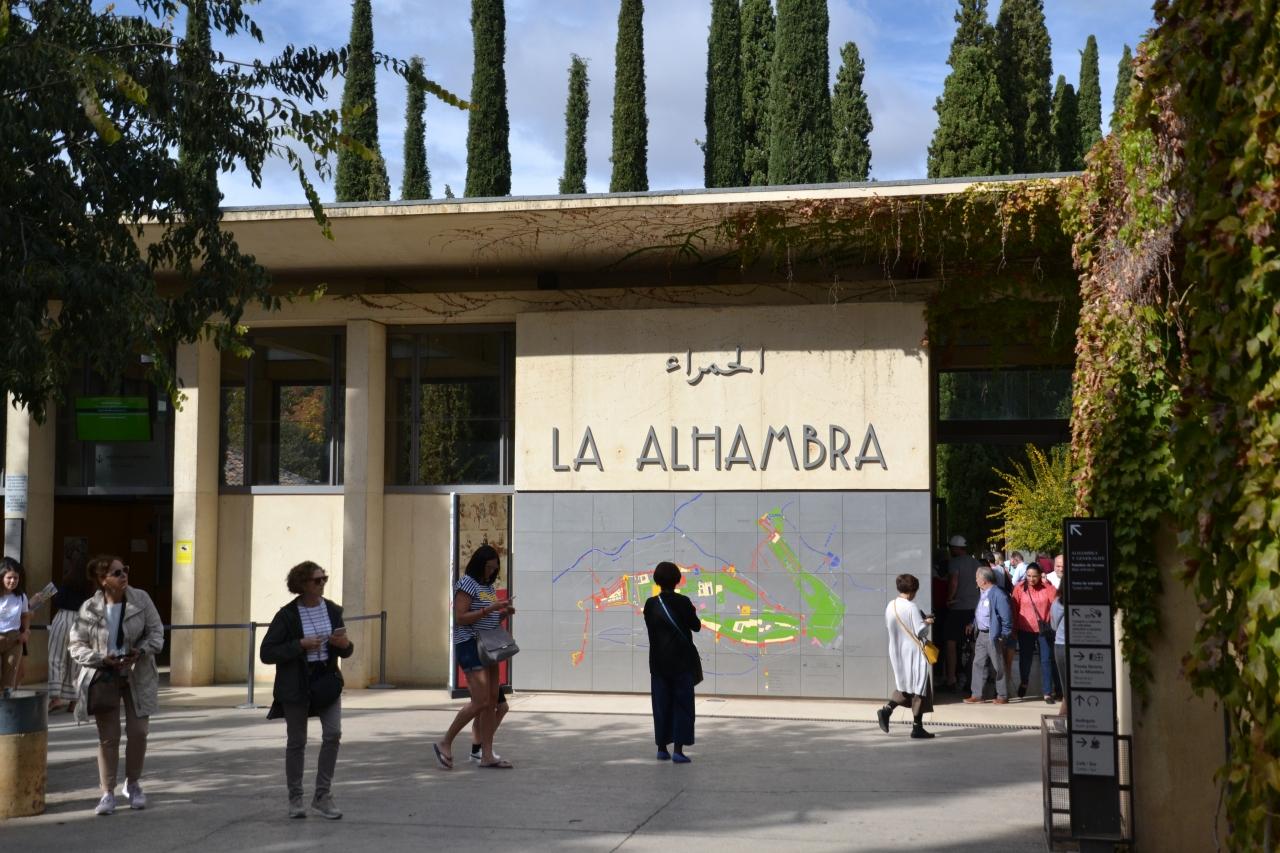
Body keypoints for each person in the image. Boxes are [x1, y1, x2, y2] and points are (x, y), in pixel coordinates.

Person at [69, 555, 166, 816]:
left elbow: (157, 632)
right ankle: (107, 792)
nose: (124, 575)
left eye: (125, 570)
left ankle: (132, 784)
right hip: (105, 677)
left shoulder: (141, 599)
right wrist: (101, 659)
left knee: (139, 732)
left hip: (137, 674)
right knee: (108, 737)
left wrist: (141, 650)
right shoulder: (89, 608)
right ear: (103, 580)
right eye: (117, 572)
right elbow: (76, 645)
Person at [260, 560, 353, 819]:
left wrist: (344, 645)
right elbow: (267, 652)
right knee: (297, 741)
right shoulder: (287, 615)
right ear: (302, 584)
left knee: (333, 734)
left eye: (325, 578)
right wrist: (300, 644)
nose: (322, 583)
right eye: (317, 580)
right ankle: (296, 798)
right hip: (296, 685)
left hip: (327, 682)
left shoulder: (332, 610)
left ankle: (322, 796)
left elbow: (346, 649)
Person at [435, 545, 515, 771]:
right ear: (479, 564)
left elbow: (486, 620)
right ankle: (445, 742)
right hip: (470, 645)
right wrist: (490, 610)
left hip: (489, 645)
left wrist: (502, 613)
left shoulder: (488, 587)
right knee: (480, 701)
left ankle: (486, 754)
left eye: (495, 568)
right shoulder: (467, 583)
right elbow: (461, 618)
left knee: (492, 701)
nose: (492, 572)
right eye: (489, 567)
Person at [643, 560, 702, 763]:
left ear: (657, 580)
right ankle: (678, 750)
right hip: (681, 663)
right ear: (677, 580)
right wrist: (691, 612)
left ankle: (662, 748)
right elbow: (696, 626)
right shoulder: (683, 602)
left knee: (661, 706)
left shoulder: (650, 604)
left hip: (658, 663)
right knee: (682, 705)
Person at [878, 574, 936, 739]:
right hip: (913, 652)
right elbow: (920, 631)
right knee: (919, 687)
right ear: (913, 591)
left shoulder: (891, 605)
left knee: (906, 686)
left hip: (897, 651)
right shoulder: (911, 607)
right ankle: (916, 727)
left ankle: (887, 710)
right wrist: (927, 622)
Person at [963, 567, 1013, 704]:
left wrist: (1003, 635)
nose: (975, 580)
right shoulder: (983, 592)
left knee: (998, 666)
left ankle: (1002, 695)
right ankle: (977, 694)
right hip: (981, 634)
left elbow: (1007, 619)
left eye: (977, 578)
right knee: (978, 663)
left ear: (984, 580)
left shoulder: (999, 595)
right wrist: (973, 624)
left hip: (994, 635)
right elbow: (980, 613)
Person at [48, 557, 92, 712]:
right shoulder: (91, 586)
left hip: (64, 618)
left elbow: (59, 601)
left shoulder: (67, 584)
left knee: (56, 657)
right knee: (77, 661)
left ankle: (56, 697)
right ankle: (74, 700)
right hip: (82, 620)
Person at [1012, 564, 1059, 703]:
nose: (1031, 579)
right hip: (1025, 629)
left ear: (1040, 575)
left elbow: (1056, 604)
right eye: (1029, 576)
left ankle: (1047, 692)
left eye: (1034, 576)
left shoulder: (1047, 588)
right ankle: (1024, 681)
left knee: (1046, 659)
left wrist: (1047, 584)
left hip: (1044, 630)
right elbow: (1014, 608)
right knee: (1025, 659)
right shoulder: (1020, 588)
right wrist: (1014, 629)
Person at [943, 534, 980, 692]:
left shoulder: (955, 562)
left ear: (956, 548)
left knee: (950, 642)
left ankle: (951, 678)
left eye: (951, 548)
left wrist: (949, 599)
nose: (950, 550)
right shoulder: (976, 563)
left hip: (958, 607)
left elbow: (954, 581)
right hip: (974, 608)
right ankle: (971, 679)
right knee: (972, 645)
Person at [0, 557, 31, 694]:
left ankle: (5, 704)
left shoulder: (21, 597)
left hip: (14, 640)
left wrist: (26, 632)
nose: (13, 581)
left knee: (9, 680)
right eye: (9, 577)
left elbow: (25, 615)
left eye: (16, 578)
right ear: (2, 577)